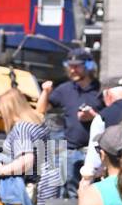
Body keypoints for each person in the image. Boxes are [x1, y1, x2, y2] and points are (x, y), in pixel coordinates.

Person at [0, 88, 61, 205]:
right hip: (46, 185)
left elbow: (26, 161)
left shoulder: (21, 128)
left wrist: (2, 169)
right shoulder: (37, 122)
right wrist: (45, 92)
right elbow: (41, 110)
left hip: (31, 190)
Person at [37, 53, 103, 190]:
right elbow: (41, 109)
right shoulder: (64, 89)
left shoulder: (101, 90)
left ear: (89, 66)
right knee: (70, 191)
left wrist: (94, 117)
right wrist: (45, 92)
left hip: (94, 152)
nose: (73, 70)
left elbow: (111, 117)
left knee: (94, 189)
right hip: (70, 151)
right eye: (70, 67)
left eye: (77, 67)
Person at [80, 75, 122, 184]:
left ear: (108, 94)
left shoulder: (102, 117)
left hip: (115, 182)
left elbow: (93, 162)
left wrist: (86, 183)